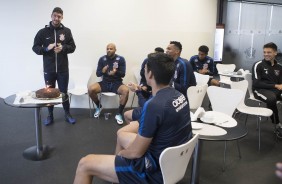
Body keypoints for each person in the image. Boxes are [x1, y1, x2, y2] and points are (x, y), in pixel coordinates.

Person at [73, 53, 192, 184]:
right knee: (121, 135)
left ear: (150, 74)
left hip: (153, 171)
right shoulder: (179, 95)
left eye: (145, 69)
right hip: (172, 162)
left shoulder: (154, 105)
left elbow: (135, 153)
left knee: (85, 164)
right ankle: (117, 175)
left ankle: (122, 171)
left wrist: (121, 155)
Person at [32, 7, 76, 125]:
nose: (57, 18)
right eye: (55, 16)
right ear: (51, 16)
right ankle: (50, 115)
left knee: (64, 92)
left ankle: (67, 114)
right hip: (49, 70)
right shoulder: (43, 32)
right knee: (49, 93)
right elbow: (35, 48)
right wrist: (46, 48)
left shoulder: (67, 31)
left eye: (59, 16)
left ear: (62, 17)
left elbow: (73, 47)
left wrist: (63, 48)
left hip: (63, 69)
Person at [88, 43, 129, 125]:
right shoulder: (102, 59)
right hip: (105, 82)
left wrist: (115, 72)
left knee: (126, 91)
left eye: (111, 48)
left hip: (116, 83)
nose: (109, 50)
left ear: (115, 50)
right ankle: (99, 106)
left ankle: (119, 114)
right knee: (91, 89)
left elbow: (123, 74)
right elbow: (98, 74)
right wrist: (102, 71)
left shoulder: (120, 59)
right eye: (107, 48)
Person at [124, 47, 164, 123]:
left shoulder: (158, 87)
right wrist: (140, 89)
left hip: (153, 113)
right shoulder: (166, 88)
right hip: (147, 85)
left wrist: (137, 91)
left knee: (121, 133)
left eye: (146, 69)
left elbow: (148, 106)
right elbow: (142, 74)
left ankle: (142, 119)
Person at [252, 42, 282, 138]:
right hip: (260, 90)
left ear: (275, 53)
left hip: (275, 90)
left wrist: (278, 86)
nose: (266, 54)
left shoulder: (279, 67)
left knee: (274, 96)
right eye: (264, 52)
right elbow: (256, 83)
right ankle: (277, 124)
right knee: (272, 99)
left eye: (269, 52)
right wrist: (275, 86)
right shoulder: (258, 65)